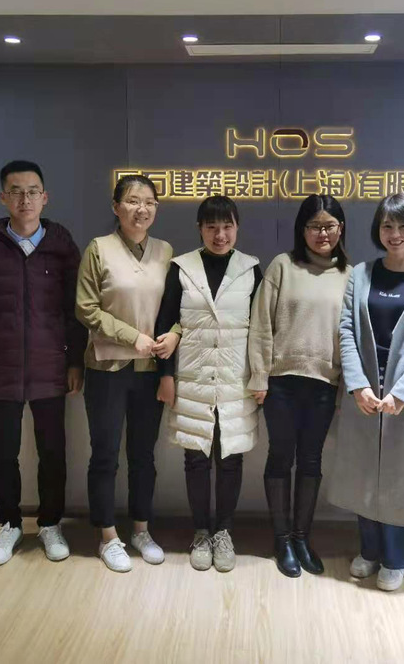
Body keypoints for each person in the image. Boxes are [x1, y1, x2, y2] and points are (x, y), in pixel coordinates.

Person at [0, 159, 86, 567]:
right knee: (3, 453)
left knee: (53, 453)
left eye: (32, 192)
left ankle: (50, 523)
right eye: (16, 191)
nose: (25, 199)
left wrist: (76, 362)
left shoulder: (62, 246)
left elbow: (76, 311)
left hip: (51, 367)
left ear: (45, 197)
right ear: (3, 197)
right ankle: (9, 523)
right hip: (1, 369)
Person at [328, 193, 404, 591]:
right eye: (387, 226)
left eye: (403, 226)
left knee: (402, 477)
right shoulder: (361, 274)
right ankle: (370, 549)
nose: (395, 234)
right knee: (365, 472)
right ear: (377, 230)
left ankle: (397, 558)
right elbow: (347, 330)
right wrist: (358, 384)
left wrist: (402, 393)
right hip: (365, 391)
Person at [154, 196, 262, 572]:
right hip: (192, 379)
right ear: (199, 228)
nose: (220, 234)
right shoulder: (182, 268)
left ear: (237, 227)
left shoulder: (251, 269)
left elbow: (261, 331)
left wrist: (260, 377)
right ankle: (201, 531)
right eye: (212, 226)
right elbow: (166, 321)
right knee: (196, 459)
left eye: (227, 226)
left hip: (235, 381)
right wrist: (165, 375)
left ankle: (224, 531)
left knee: (230, 457)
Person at [248, 194, 352, 578]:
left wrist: (346, 386)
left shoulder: (350, 275)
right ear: (302, 229)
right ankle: (282, 540)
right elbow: (261, 324)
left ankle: (302, 537)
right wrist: (259, 376)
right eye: (314, 226)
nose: (322, 234)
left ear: (341, 229)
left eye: (329, 226)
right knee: (280, 457)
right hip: (281, 383)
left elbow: (351, 336)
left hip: (324, 384)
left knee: (311, 461)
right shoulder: (283, 266)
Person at [75, 174, 175, 573]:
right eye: (132, 201)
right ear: (116, 207)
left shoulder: (165, 251)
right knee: (105, 455)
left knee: (143, 455)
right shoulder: (98, 249)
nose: (141, 209)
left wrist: (174, 334)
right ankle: (107, 536)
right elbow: (85, 308)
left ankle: (141, 529)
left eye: (148, 202)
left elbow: (176, 307)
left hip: (150, 371)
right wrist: (132, 336)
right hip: (107, 368)